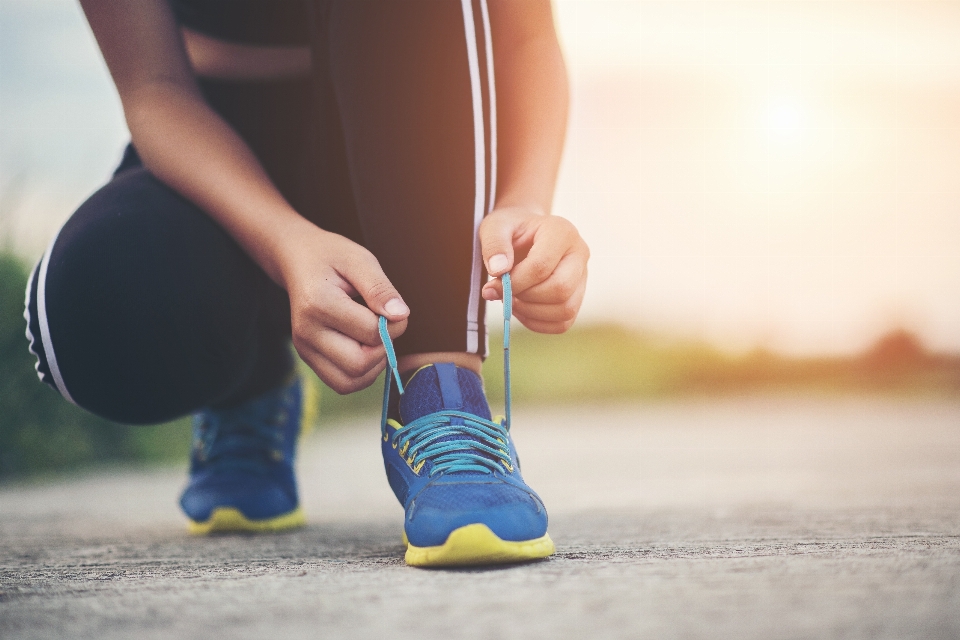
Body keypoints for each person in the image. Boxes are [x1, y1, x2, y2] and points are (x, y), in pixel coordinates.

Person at [24, 0, 588, 567]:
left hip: (413, 132)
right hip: (220, 143)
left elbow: (524, 38)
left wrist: (524, 204)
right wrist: (285, 243)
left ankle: (442, 394)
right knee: (87, 310)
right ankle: (250, 382)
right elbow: (154, 89)